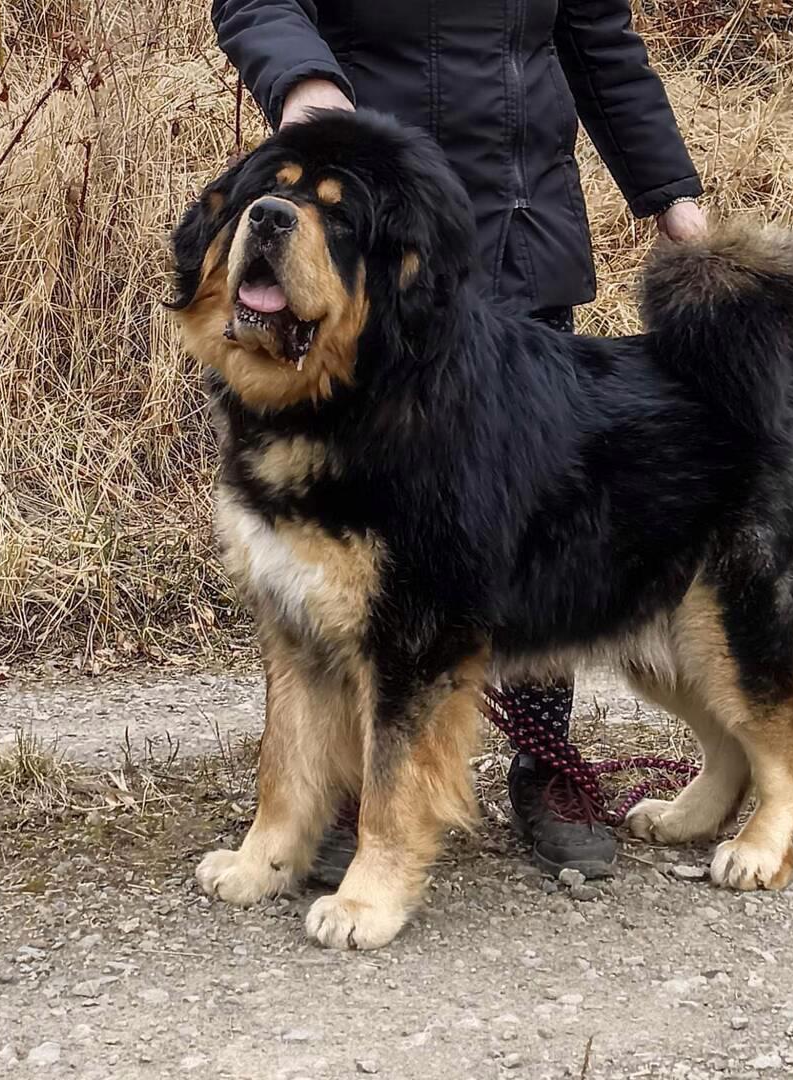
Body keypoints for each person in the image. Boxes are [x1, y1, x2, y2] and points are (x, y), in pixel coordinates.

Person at [211, 0, 708, 881]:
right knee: (337, 552)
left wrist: (670, 196)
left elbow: (598, 42)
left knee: (535, 528)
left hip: (521, 239)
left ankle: (545, 765)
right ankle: (340, 796)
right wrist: (304, 79)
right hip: (374, 235)